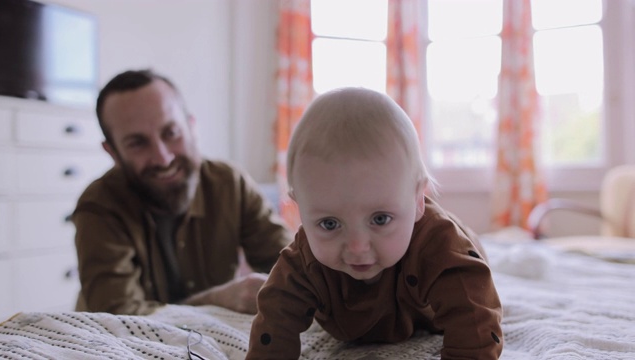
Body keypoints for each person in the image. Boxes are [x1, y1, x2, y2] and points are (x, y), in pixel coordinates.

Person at [247, 87, 503, 359]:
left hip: (437, 295)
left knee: (472, 266)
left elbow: (476, 319)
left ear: (417, 200)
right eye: (330, 224)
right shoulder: (302, 262)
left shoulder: (440, 245)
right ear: (300, 209)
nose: (357, 247)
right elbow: (274, 319)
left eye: (380, 219)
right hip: (369, 320)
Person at [72, 69, 292, 316]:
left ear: (191, 126)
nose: (163, 158)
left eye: (171, 133)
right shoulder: (99, 206)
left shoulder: (230, 183)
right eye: (137, 143)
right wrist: (215, 300)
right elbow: (119, 318)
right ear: (113, 153)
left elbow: (292, 266)